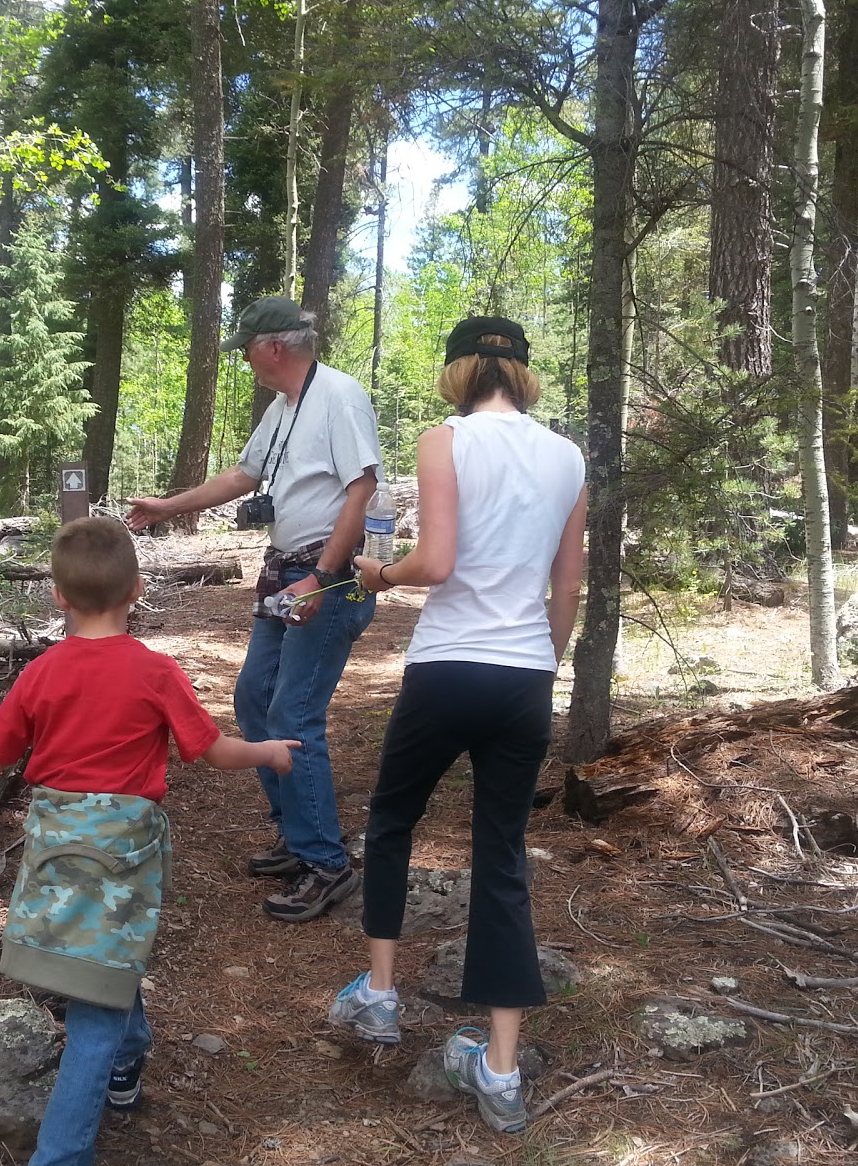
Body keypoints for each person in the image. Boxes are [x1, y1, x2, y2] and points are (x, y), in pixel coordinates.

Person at [325, 317, 588, 1135]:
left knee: (394, 819)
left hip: (446, 667)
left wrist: (380, 573)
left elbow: (434, 564)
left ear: (462, 371)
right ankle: (501, 1072)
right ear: (521, 373)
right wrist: (540, 660)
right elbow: (567, 586)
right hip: (522, 677)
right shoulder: (569, 456)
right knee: (502, 857)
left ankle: (379, 995)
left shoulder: (444, 442)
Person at [0, 516, 298, 1166]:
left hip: (57, 845)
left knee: (91, 968)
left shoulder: (40, 675)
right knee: (100, 985)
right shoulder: (154, 672)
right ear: (138, 589)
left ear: (59, 597)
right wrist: (266, 751)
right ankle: (60, 1154)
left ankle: (124, 1060)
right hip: (123, 849)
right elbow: (209, 749)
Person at [126, 297, 382, 923]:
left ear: (272, 347)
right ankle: (297, 835)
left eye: (246, 348)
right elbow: (244, 476)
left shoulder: (339, 397)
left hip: (325, 574)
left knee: (294, 710)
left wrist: (322, 579)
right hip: (285, 569)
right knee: (251, 700)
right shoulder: (283, 405)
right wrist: (168, 505)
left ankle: (327, 863)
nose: (244, 359)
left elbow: (363, 492)